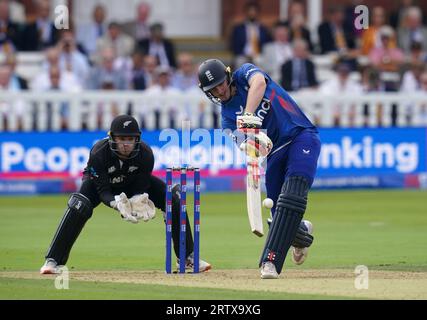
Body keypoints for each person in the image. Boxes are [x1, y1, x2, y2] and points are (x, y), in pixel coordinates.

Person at [40, 114, 211, 274]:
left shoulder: (145, 154)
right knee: (79, 205)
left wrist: (138, 200)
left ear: (137, 139)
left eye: (130, 139)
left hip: (132, 183)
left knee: (174, 199)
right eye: (121, 139)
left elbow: (141, 186)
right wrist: (116, 204)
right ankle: (53, 260)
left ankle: (187, 256)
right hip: (102, 185)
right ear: (112, 137)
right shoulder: (98, 153)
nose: (126, 144)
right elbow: (103, 191)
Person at [197, 59, 320, 279]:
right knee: (278, 213)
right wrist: (254, 144)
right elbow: (249, 148)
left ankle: (269, 262)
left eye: (220, 83)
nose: (219, 90)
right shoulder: (226, 119)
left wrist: (248, 114)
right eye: (213, 89)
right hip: (274, 153)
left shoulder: (244, 74)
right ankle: (300, 231)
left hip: (300, 134)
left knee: (294, 190)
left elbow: (260, 83)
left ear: (228, 76)